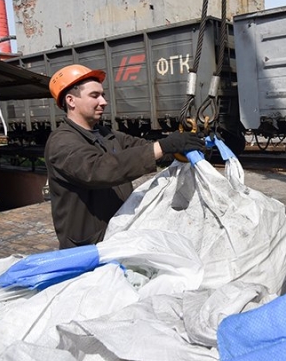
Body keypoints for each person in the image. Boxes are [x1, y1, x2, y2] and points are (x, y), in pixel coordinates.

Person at [45, 64, 204, 249]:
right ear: (71, 101)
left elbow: (140, 147)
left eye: (103, 95)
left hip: (117, 236)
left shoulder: (105, 134)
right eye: (94, 96)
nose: (103, 101)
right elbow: (98, 169)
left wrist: (180, 147)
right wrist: (164, 146)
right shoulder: (62, 142)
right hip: (89, 246)